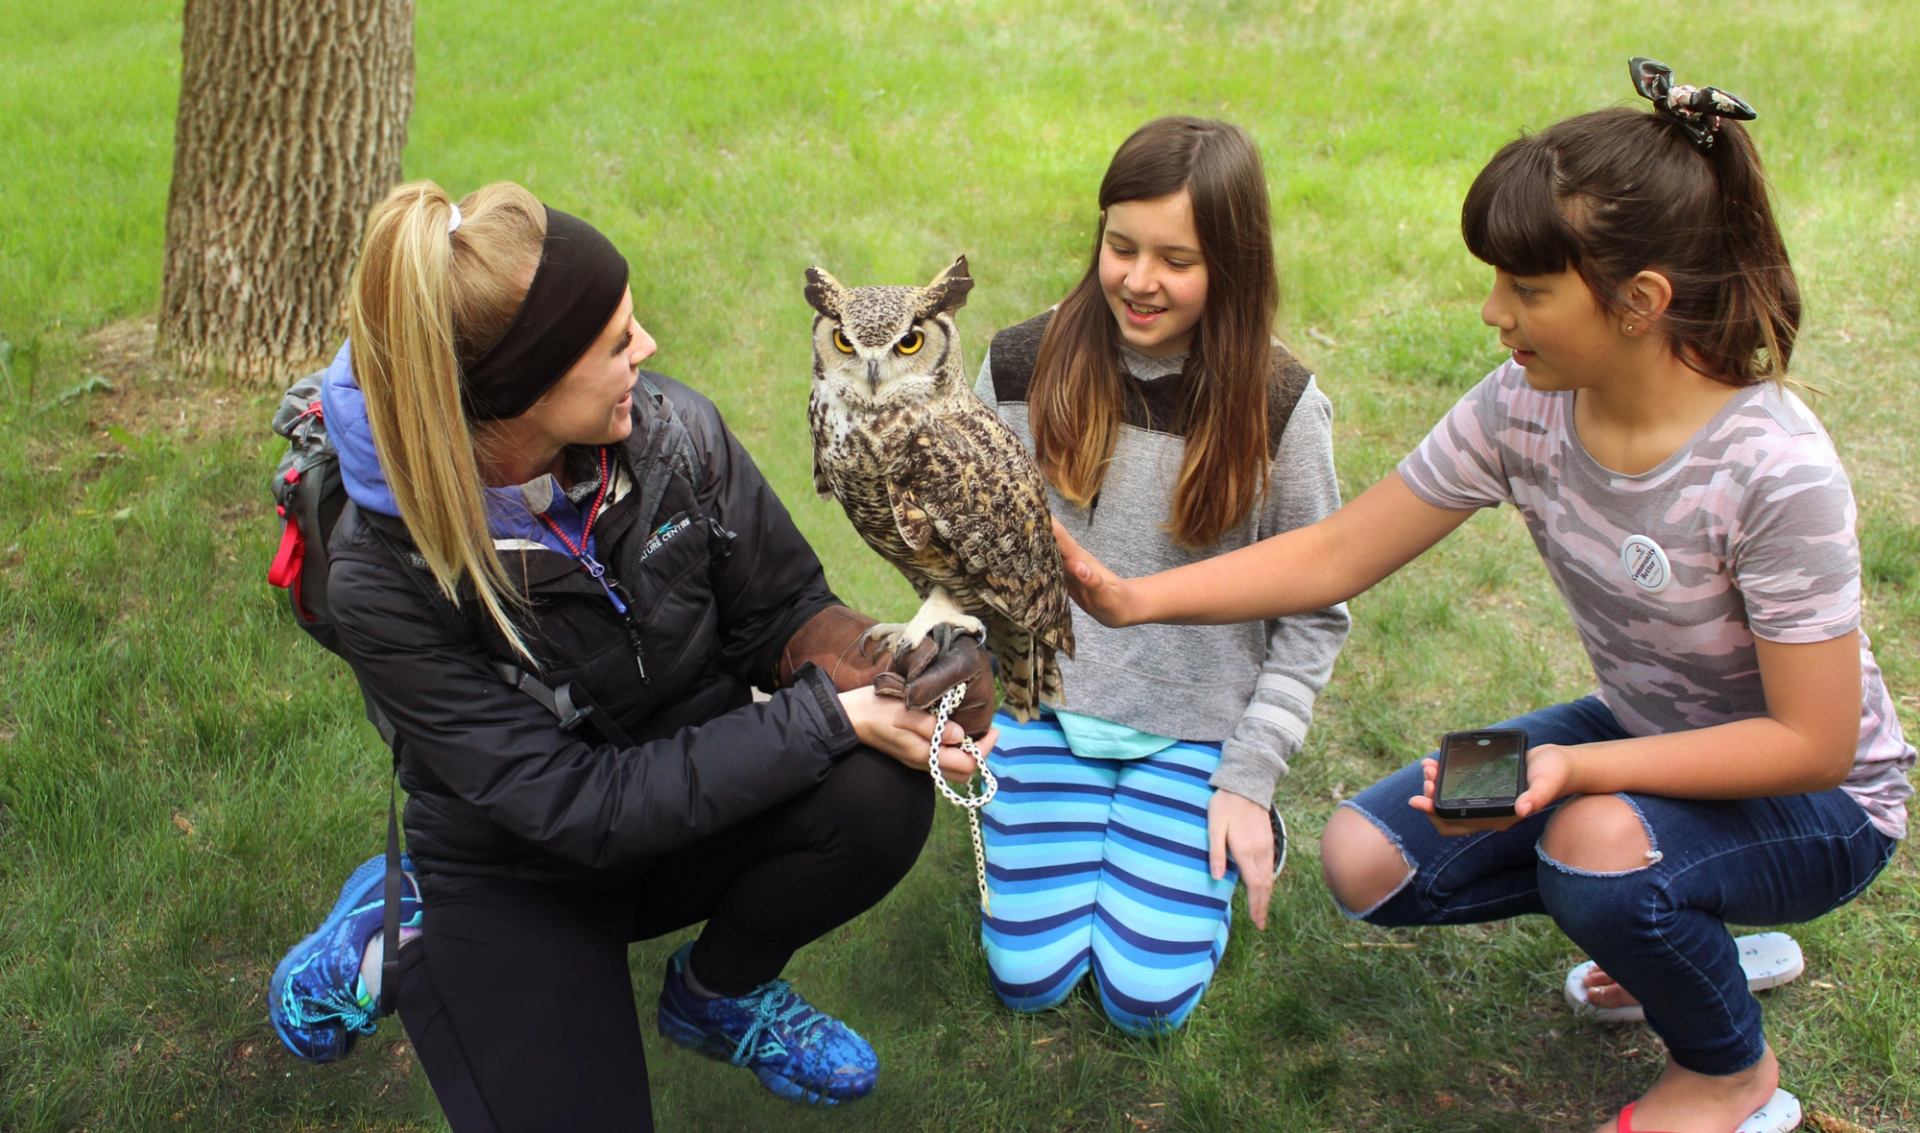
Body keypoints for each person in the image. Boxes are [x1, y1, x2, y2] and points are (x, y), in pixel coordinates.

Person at [1053, 63, 1911, 1132]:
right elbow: (1337, 553)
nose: (1495, 311)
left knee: (1594, 846)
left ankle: (1731, 1073)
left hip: (1823, 805)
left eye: (1529, 289)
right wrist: (1134, 599)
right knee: (1366, 859)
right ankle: (1678, 926)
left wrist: (1582, 768)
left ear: (1641, 303)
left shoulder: (1776, 470)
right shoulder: (1524, 405)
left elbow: (1815, 744)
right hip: (1650, 737)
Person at [264, 180, 998, 1130]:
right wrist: (828, 715)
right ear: (523, 390)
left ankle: (719, 992)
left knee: (879, 792)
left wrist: (906, 667)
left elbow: (782, 610)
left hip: (690, 804)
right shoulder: (383, 572)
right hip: (523, 867)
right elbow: (574, 807)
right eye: (615, 343)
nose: (646, 348)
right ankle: (400, 913)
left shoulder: (672, 432)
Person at [971, 116, 1351, 1035]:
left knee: (1146, 998)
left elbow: (1314, 610)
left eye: (1177, 260)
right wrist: (973, 680)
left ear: (1235, 264)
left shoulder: (1281, 405)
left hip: (1197, 729)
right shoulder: (1020, 364)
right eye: (1121, 247)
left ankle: (1217, 825)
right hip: (1047, 708)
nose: (1140, 280)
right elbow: (968, 551)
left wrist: (1249, 774)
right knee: (1027, 974)